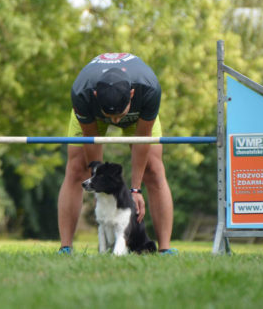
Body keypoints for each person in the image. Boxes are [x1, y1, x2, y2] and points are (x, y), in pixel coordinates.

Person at [57, 53, 177, 255]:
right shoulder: (82, 91)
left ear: (131, 94)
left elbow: (142, 139)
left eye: (118, 116)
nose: (114, 121)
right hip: (93, 118)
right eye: (109, 116)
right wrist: (97, 185)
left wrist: (135, 190)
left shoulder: (149, 88)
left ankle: (165, 248)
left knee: (154, 169)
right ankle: (65, 247)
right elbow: (91, 139)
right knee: (77, 168)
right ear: (95, 96)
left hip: (138, 116)